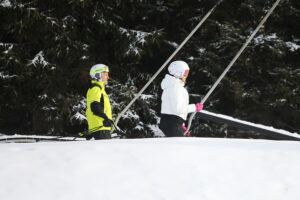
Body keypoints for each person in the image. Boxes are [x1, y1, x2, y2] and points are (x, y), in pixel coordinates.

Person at [159, 60, 203, 137]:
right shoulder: (176, 87)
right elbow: (178, 109)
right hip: (173, 124)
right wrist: (194, 107)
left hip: (171, 123)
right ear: (178, 73)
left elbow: (172, 109)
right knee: (179, 148)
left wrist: (181, 125)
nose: (186, 75)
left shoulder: (171, 86)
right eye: (185, 73)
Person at [85, 64, 114, 140]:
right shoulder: (95, 88)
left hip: (102, 127)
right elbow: (94, 107)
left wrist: (107, 120)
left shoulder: (100, 89)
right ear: (98, 75)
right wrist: (105, 119)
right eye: (105, 74)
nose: (108, 77)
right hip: (100, 127)